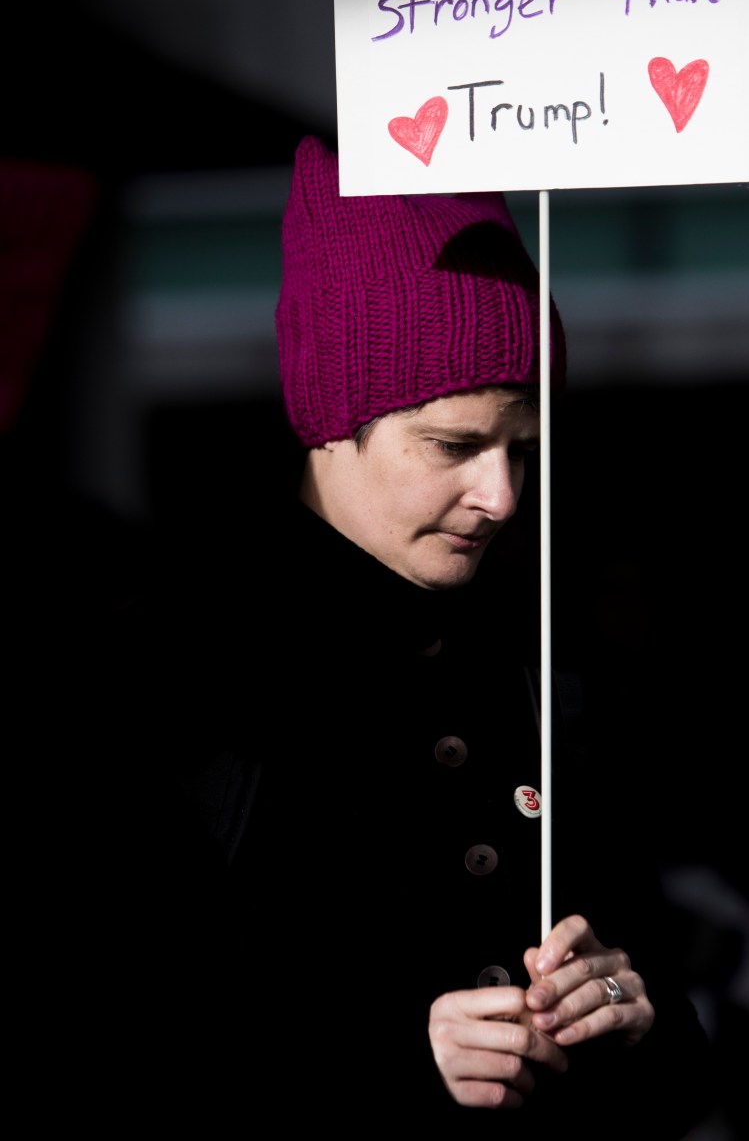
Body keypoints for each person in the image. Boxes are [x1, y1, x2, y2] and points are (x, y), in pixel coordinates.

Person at [62, 135, 710, 1131]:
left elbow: (674, 1064)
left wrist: (628, 1012)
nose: (499, 496)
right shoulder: (162, 675)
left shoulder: (542, 656)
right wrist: (392, 1063)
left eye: (522, 447)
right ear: (333, 415)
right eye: (454, 444)